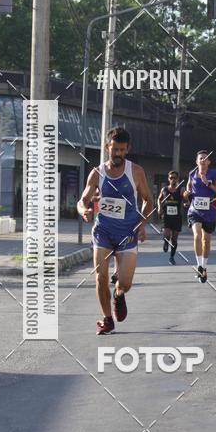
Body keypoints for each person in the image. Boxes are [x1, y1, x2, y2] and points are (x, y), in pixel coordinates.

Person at [78, 126, 153, 334]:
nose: (117, 154)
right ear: (106, 147)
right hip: (103, 231)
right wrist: (84, 210)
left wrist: (142, 224)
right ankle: (107, 319)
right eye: (114, 149)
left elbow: (148, 201)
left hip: (128, 233)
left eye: (121, 150)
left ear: (127, 149)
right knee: (100, 277)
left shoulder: (135, 171)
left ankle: (119, 295)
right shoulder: (97, 173)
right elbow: (83, 200)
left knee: (125, 283)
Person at [185, 150, 216, 283]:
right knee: (197, 236)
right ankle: (199, 265)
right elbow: (188, 190)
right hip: (195, 210)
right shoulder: (191, 173)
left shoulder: (214, 174)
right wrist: (186, 193)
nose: (202, 160)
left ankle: (204, 267)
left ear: (209, 162)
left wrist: (208, 183)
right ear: (197, 161)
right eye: (200, 158)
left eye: (205, 158)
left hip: (209, 211)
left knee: (206, 241)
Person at [157, 170, 185, 265]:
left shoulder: (181, 189)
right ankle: (165, 242)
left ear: (177, 179)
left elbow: (185, 199)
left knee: (174, 238)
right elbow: (159, 199)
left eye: (174, 178)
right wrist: (159, 208)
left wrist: (186, 202)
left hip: (177, 217)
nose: (173, 179)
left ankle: (172, 257)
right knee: (167, 235)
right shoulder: (164, 189)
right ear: (168, 179)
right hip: (166, 216)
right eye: (171, 178)